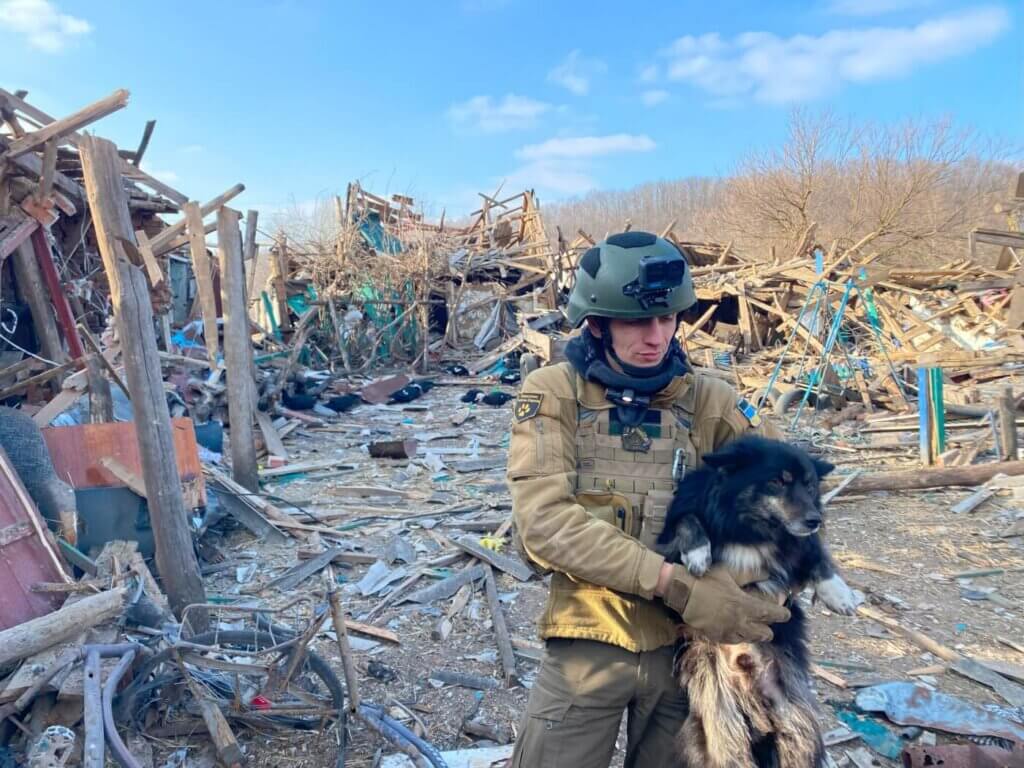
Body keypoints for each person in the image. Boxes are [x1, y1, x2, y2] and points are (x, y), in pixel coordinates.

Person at [507, 231, 792, 768]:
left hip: (688, 651)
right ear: (596, 323)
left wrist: (741, 590)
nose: (656, 336)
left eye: (667, 320)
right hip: (589, 637)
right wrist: (677, 584)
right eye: (637, 321)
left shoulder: (711, 402)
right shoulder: (553, 393)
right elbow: (545, 524)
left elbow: (784, 505)